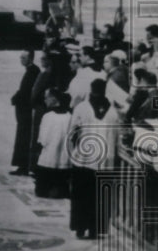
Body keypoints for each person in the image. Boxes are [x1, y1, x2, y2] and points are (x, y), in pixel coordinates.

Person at [68, 79, 119, 239]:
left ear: (91, 90)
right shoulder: (113, 112)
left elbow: (73, 131)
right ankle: (97, 229)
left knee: (81, 194)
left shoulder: (82, 108)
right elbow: (116, 137)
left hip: (84, 157)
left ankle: (80, 227)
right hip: (105, 160)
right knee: (101, 196)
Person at [34, 88, 72, 199]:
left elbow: (43, 139)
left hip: (49, 159)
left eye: (46, 98)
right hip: (64, 159)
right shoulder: (69, 116)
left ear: (54, 99)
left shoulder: (48, 116)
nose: (45, 100)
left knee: (42, 191)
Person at [10, 49, 40, 176]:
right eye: (20, 57)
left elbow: (26, 91)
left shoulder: (33, 71)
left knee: (24, 137)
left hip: (25, 109)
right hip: (23, 108)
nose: (21, 60)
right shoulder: (31, 71)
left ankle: (23, 165)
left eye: (23, 58)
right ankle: (22, 165)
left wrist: (15, 98)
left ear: (30, 58)